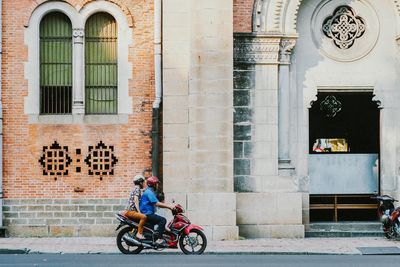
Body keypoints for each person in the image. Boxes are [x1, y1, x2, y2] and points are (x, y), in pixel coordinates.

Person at [139, 176, 175, 244]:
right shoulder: (149, 192)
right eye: (156, 184)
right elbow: (157, 203)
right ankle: (159, 238)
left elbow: (158, 203)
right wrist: (169, 207)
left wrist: (169, 205)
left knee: (158, 223)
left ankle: (153, 237)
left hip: (147, 213)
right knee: (163, 220)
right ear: (153, 184)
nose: (157, 186)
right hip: (147, 213)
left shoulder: (149, 191)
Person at [122, 174, 147, 239]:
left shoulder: (136, 189)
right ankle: (139, 233)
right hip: (130, 211)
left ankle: (134, 233)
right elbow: (136, 200)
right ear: (140, 182)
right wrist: (139, 212)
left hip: (128, 211)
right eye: (143, 182)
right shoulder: (137, 189)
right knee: (143, 217)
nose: (144, 184)